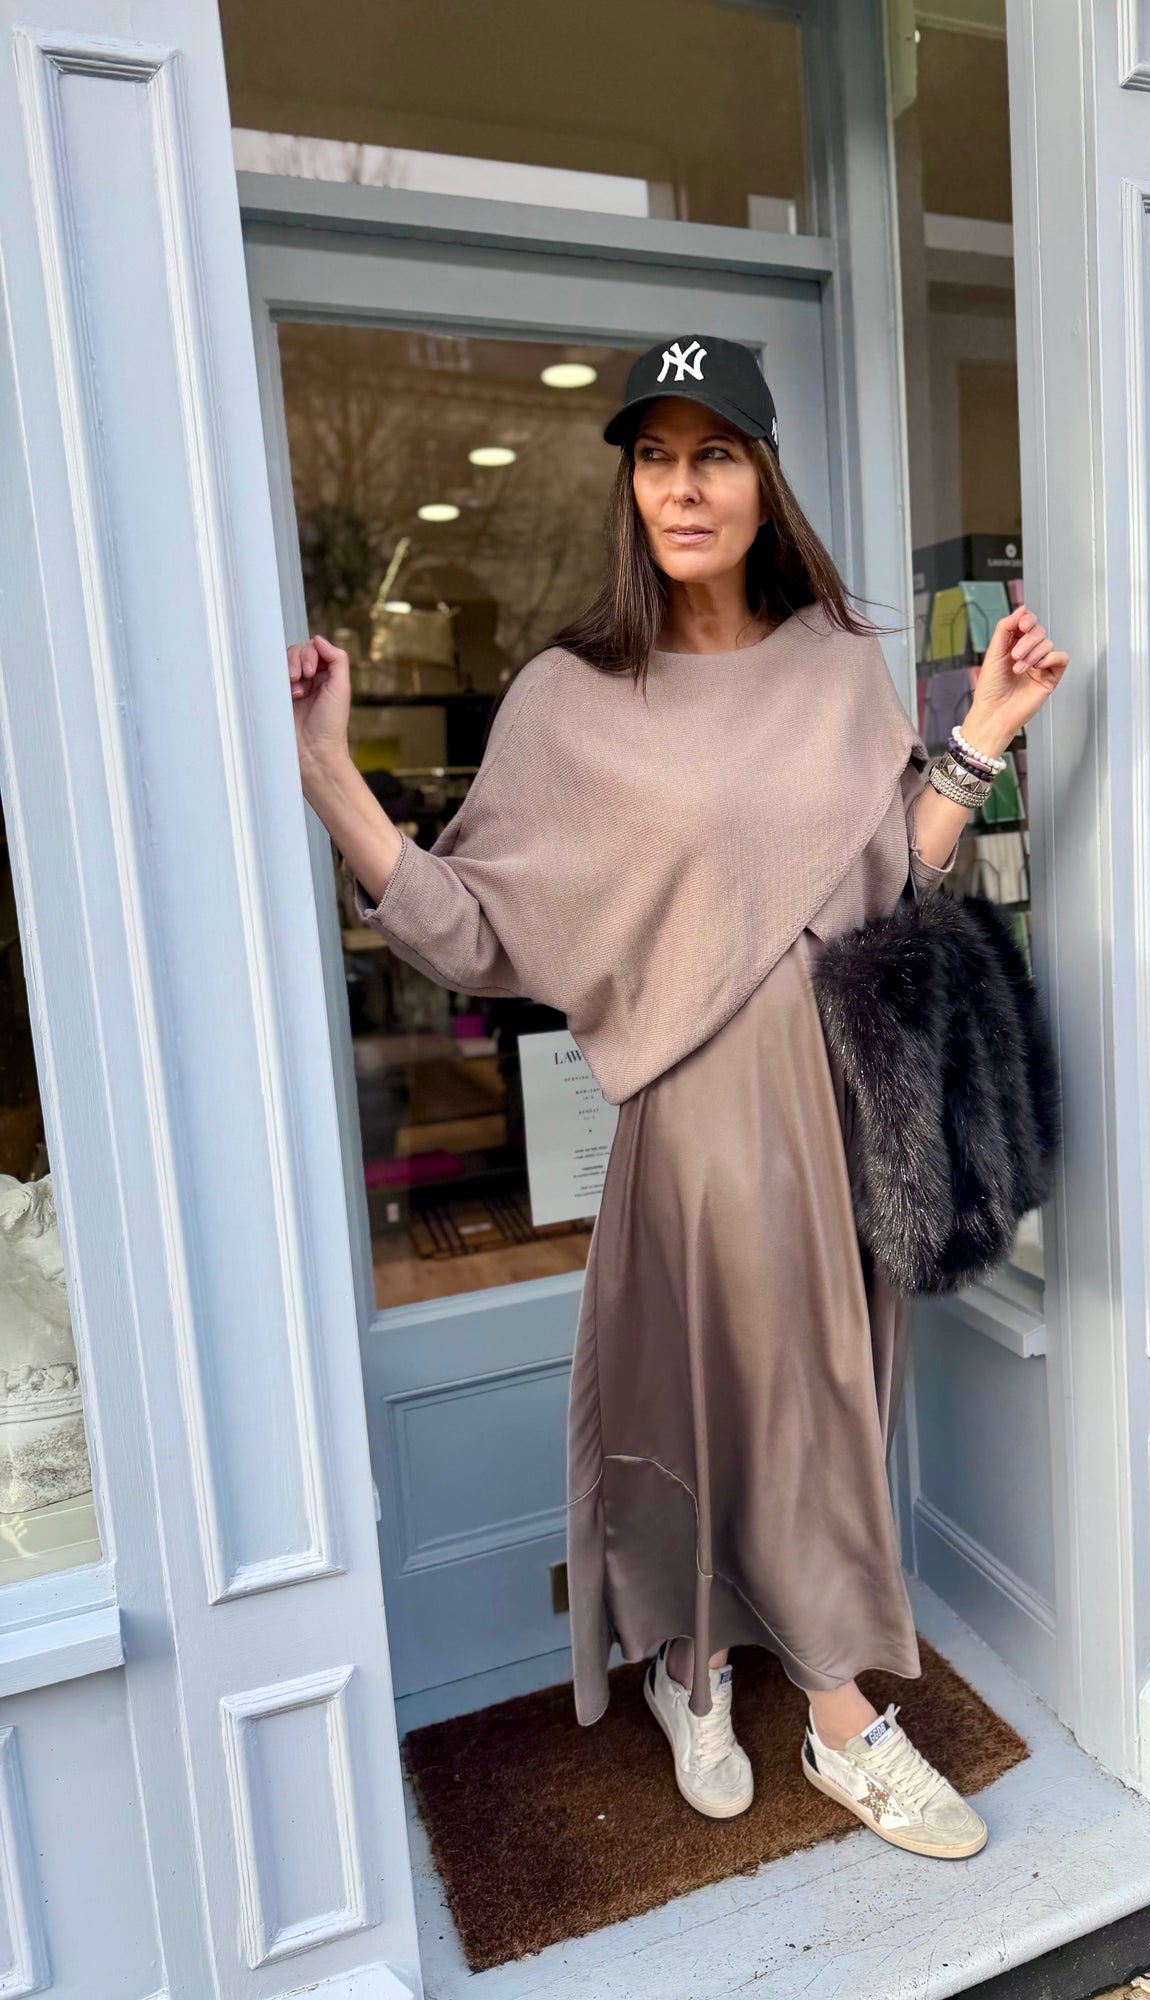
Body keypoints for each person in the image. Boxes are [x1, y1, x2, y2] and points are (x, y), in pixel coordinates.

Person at [289, 334, 1066, 1862]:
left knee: (829, 1408)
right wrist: (332, 781)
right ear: (631, 486)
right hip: (698, 1124)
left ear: (764, 481)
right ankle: (729, 1675)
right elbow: (474, 930)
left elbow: (889, 885)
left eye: (714, 454)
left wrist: (982, 733)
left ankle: (811, 1702)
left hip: (849, 1114)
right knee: (703, 1408)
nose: (682, 487)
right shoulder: (572, 697)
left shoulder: (838, 663)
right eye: (655, 457)